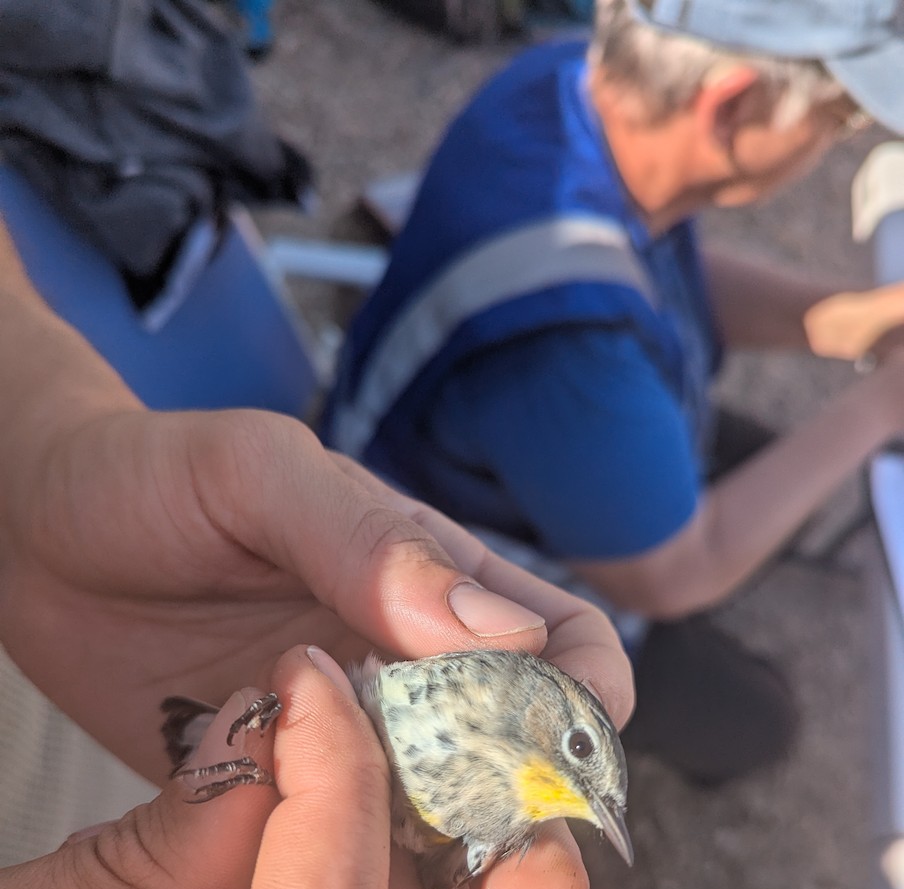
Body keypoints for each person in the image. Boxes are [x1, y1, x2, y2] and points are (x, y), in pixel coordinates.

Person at [0, 221, 633, 889]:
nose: (583, 792)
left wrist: (35, 450)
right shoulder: (488, 692)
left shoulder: (506, 799)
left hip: (88, 717)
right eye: (583, 754)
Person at [322, 0, 904, 785]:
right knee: (758, 723)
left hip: (455, 440)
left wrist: (840, 321)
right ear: (730, 107)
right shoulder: (572, 353)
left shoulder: (567, 84)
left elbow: (652, 269)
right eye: (838, 119)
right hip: (447, 572)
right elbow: (677, 574)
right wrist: (882, 406)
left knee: (772, 476)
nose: (839, 139)